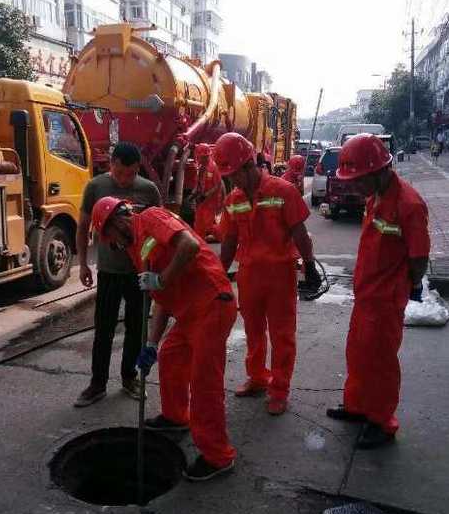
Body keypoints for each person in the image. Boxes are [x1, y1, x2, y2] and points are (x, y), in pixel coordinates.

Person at [90, 196, 237, 481]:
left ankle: (218, 456)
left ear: (118, 220)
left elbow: (190, 246)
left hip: (212, 304)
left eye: (111, 237)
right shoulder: (135, 249)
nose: (114, 245)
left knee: (204, 382)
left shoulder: (151, 218)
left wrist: (162, 278)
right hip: (189, 312)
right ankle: (176, 417)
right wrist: (151, 344)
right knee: (170, 357)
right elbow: (162, 300)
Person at [326, 133, 430, 448]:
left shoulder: (408, 204)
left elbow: (419, 257)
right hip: (366, 295)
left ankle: (382, 421)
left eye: (360, 180)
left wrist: (409, 285)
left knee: (381, 362)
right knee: (358, 354)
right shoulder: (375, 196)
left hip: (386, 300)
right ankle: (358, 407)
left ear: (379, 170)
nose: (355, 187)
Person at [215, 133, 322, 415]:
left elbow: (300, 233)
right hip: (249, 274)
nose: (233, 181)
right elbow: (228, 242)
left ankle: (280, 389)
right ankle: (258, 378)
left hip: (280, 274)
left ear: (249, 164)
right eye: (228, 176)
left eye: (235, 174)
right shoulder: (233, 199)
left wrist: (309, 265)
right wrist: (217, 275)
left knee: (282, 334)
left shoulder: (283, 190)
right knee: (253, 330)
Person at [74, 142, 161, 407]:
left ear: (138, 169)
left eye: (131, 174)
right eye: (121, 173)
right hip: (110, 271)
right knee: (104, 329)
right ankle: (97, 384)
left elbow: (159, 228)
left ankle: (129, 377)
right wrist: (82, 264)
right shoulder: (96, 187)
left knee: (137, 328)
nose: (125, 180)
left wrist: (155, 267)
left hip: (139, 271)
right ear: (112, 164)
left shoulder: (148, 189)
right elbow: (83, 226)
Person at [191, 143, 223, 242]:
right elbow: (198, 182)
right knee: (198, 223)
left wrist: (206, 195)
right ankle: (199, 243)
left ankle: (223, 236)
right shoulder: (200, 168)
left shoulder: (214, 168)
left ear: (205, 156)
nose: (198, 159)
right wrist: (193, 193)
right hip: (201, 202)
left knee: (208, 226)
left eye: (199, 157)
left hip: (210, 203)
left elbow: (218, 186)